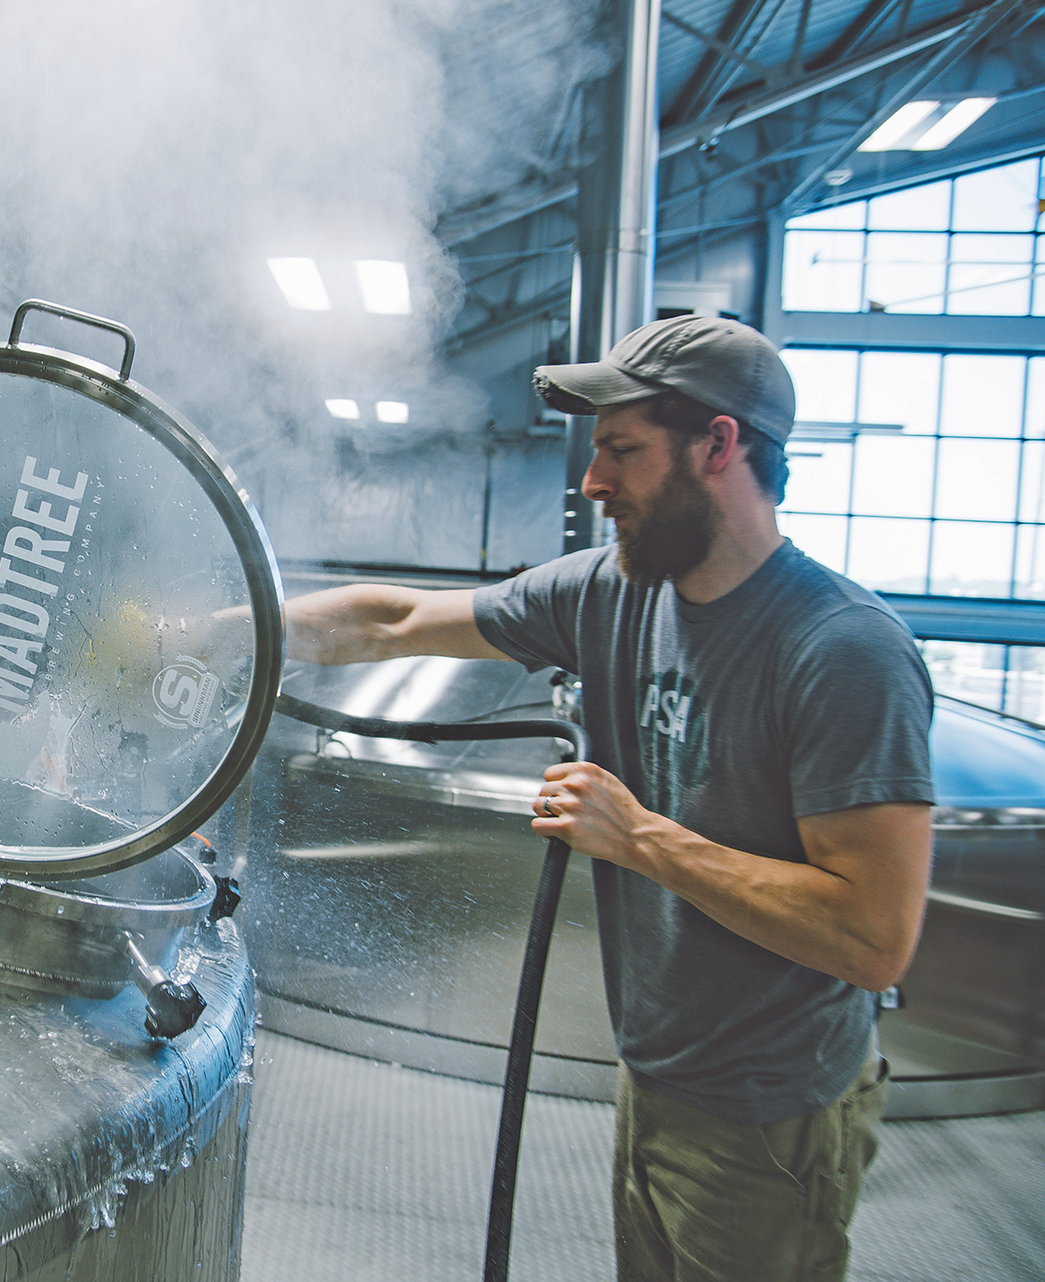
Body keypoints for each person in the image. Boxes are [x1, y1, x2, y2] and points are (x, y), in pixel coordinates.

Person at [284, 313, 934, 1282]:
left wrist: (641, 837)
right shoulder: (614, 591)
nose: (593, 484)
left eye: (622, 451)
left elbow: (874, 933)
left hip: (771, 1107)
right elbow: (398, 618)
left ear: (720, 445)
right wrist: (216, 624)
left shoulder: (842, 650)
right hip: (656, 1070)